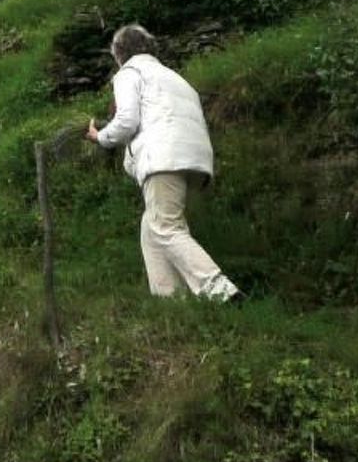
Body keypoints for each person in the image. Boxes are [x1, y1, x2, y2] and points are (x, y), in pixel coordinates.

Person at [85, 23, 241, 302]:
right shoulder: (174, 78)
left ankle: (220, 290)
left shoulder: (129, 73)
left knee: (166, 227)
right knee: (151, 225)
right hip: (194, 160)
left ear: (119, 54)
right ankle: (169, 299)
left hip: (164, 157)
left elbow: (126, 121)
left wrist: (100, 137)